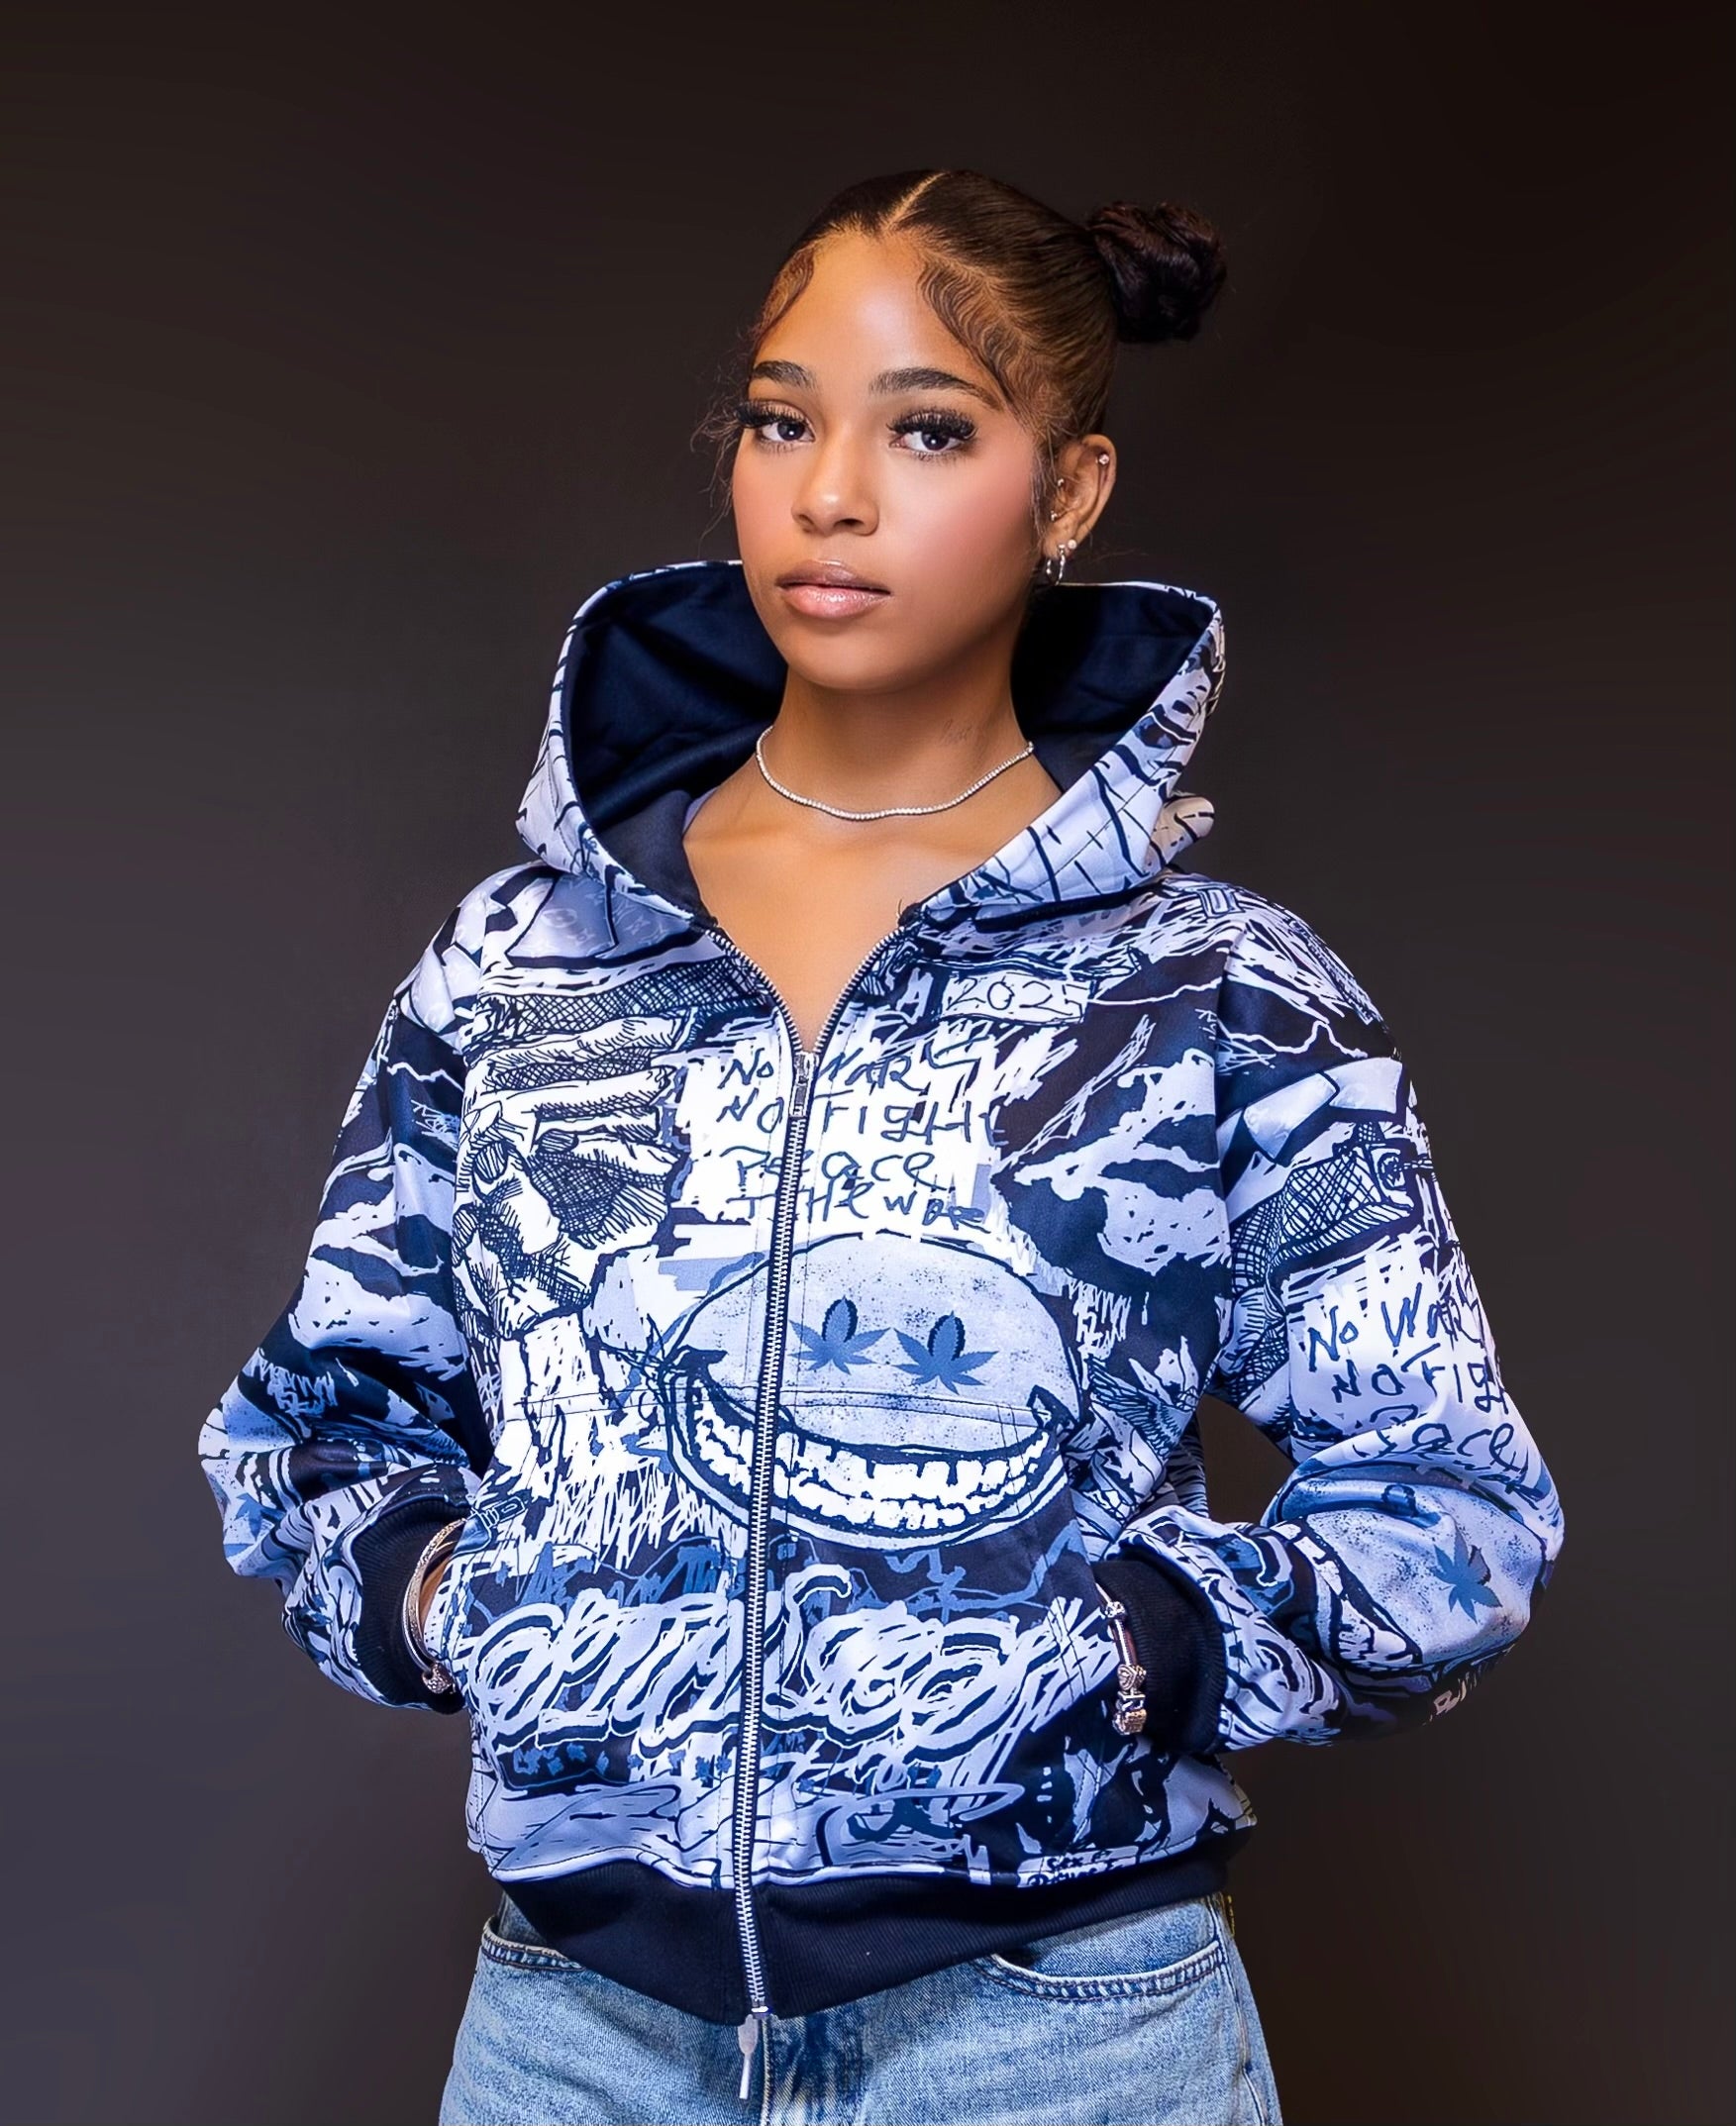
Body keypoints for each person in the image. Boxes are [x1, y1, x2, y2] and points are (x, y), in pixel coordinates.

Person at [198, 168, 1565, 2126]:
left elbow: (1448, 1499)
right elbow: (325, 1419)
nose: (829, 494)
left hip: (1058, 2037)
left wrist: (1135, 1656)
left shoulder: (1219, 988)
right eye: (782, 422)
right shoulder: (518, 961)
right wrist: (440, 1601)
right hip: (575, 2037)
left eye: (926, 430)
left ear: (1067, 490)